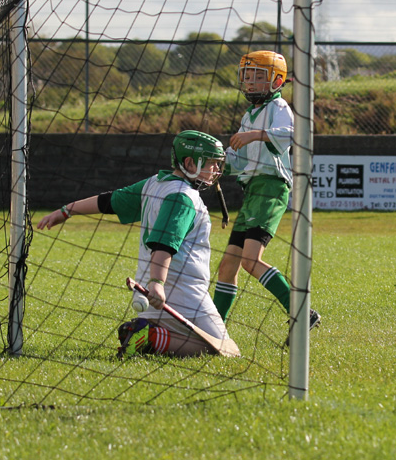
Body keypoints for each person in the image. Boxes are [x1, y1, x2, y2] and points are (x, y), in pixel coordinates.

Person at [37, 130, 236, 359]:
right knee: (223, 350)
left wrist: (67, 210)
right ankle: (150, 338)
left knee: (211, 346)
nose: (216, 171)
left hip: (148, 296)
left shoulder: (155, 183)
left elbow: (110, 201)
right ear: (189, 162)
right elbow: (164, 244)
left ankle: (148, 332)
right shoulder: (184, 197)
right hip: (181, 294)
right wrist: (157, 283)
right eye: (211, 163)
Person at [212, 51, 321, 339]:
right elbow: (236, 156)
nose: (250, 82)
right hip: (252, 193)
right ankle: (213, 327)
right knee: (227, 266)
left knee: (249, 261)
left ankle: (301, 311)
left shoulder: (279, 106)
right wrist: (216, 163)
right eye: (247, 75)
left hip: (271, 188)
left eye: (259, 76)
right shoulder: (249, 115)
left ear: (277, 80)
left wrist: (256, 135)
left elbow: (293, 134)